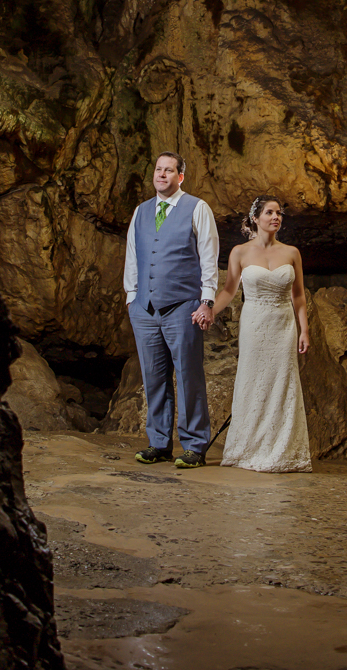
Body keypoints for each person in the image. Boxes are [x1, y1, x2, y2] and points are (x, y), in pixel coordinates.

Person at [202, 196, 312, 473]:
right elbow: (229, 291)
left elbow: (298, 295)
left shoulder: (292, 253)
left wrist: (304, 330)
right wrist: (210, 310)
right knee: (252, 382)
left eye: (279, 213)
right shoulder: (240, 252)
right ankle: (247, 449)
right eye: (270, 212)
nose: (276, 217)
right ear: (255, 218)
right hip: (254, 324)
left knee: (282, 384)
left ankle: (282, 452)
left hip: (283, 324)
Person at [123, 152, 220, 469]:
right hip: (144, 308)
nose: (162, 174)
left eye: (169, 170)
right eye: (158, 169)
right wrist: (131, 298)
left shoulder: (197, 208)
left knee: (189, 376)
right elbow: (133, 256)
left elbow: (208, 256)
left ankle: (194, 446)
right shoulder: (141, 211)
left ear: (180, 176)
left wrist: (206, 301)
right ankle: (159, 443)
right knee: (154, 377)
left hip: (184, 306)